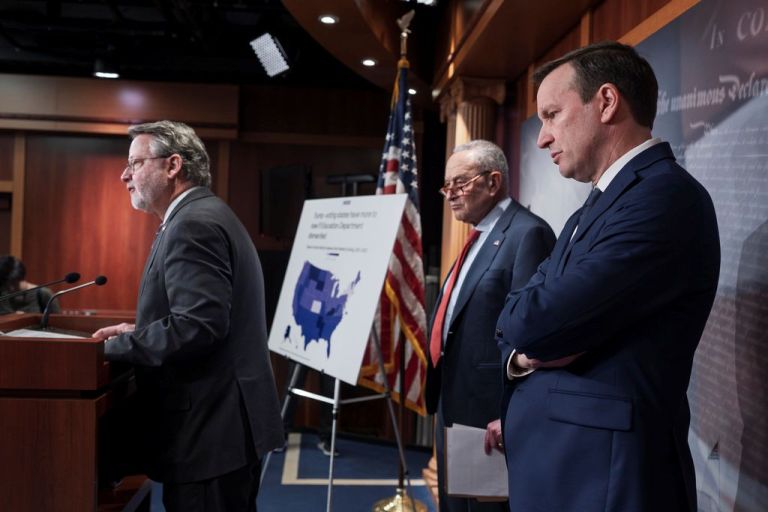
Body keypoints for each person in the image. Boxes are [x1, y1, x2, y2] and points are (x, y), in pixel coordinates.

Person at [496, 41, 720, 512]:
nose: (542, 138)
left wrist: (536, 335)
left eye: (552, 115)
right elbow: (522, 317)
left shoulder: (663, 198)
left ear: (606, 102)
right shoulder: (595, 207)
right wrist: (528, 355)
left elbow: (534, 321)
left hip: (605, 480)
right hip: (567, 470)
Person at [92, 120, 283, 512]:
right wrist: (139, 329)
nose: (124, 174)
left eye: (135, 162)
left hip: (212, 432)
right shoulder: (202, 215)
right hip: (219, 427)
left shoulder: (193, 224)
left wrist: (118, 346)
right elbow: (199, 316)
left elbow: (198, 327)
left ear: (173, 165)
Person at [425, 140, 555, 512]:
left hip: (489, 416)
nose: (449, 194)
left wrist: (510, 412)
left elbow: (530, 334)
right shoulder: (479, 235)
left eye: (459, 183)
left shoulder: (527, 234)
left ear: (493, 181)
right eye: (446, 185)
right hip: (454, 403)